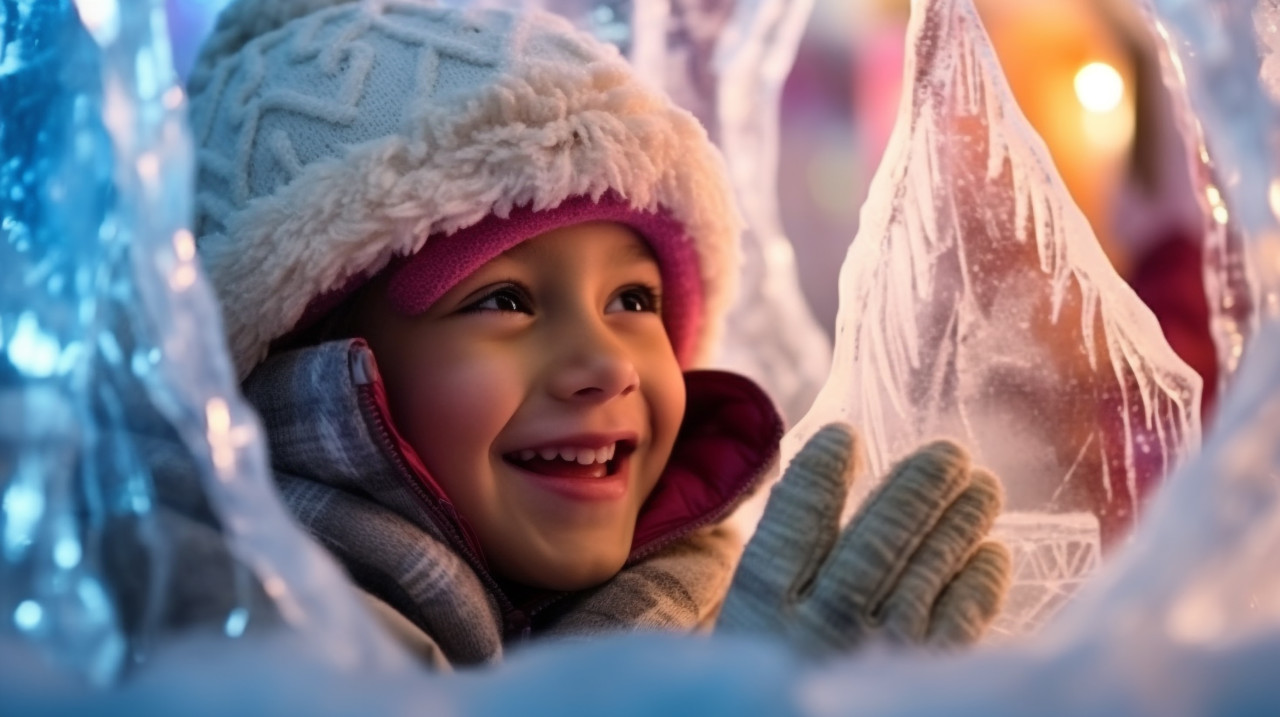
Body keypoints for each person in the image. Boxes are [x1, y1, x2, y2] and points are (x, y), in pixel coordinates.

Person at [186, 0, 1011, 668]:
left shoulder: (723, 608)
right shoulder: (235, 633)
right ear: (300, 363)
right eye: (503, 300)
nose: (607, 363)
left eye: (634, 299)